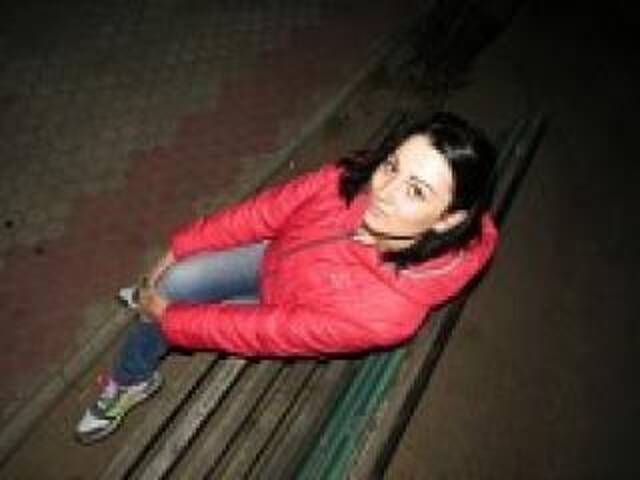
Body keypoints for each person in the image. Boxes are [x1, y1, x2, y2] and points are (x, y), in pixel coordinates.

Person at [75, 111, 499, 444]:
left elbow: (269, 331)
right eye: (392, 166)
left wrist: (171, 317)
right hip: (274, 256)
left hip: (281, 310)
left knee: (173, 308)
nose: (382, 192)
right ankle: (153, 305)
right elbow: (264, 212)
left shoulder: (387, 316)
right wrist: (179, 248)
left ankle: (132, 379)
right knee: (176, 279)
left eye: (416, 191)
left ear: (447, 219)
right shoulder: (351, 179)